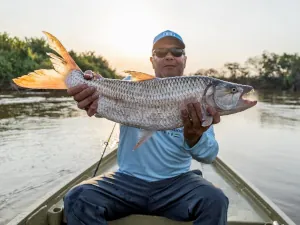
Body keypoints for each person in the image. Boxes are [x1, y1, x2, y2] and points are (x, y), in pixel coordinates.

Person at [63, 30, 229, 225]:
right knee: (78, 198)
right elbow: (100, 106)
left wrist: (194, 138)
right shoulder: (130, 83)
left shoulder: (200, 94)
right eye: (160, 52)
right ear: (152, 60)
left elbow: (209, 155)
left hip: (177, 184)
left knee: (215, 201)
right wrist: (90, 88)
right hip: (126, 182)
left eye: (176, 52)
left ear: (184, 59)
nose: (169, 56)